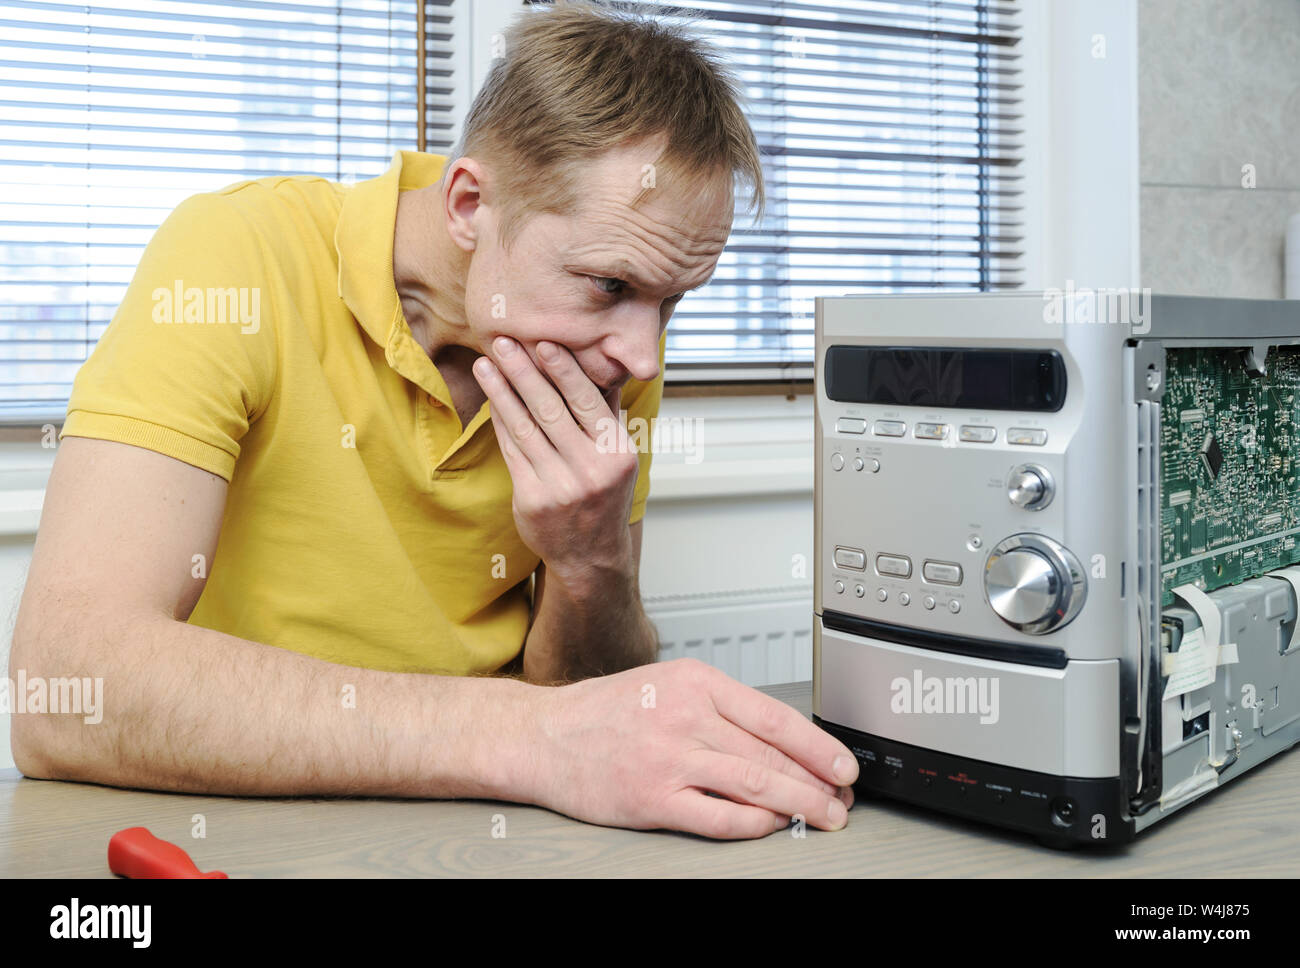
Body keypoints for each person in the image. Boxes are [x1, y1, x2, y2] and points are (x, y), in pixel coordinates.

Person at [10, 0, 857, 840]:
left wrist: (590, 563)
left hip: (484, 832)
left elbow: (589, 724)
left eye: (672, 303)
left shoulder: (606, 348)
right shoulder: (237, 256)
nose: (642, 354)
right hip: (229, 822)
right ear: (466, 206)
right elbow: (66, 682)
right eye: (611, 286)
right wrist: (524, 737)